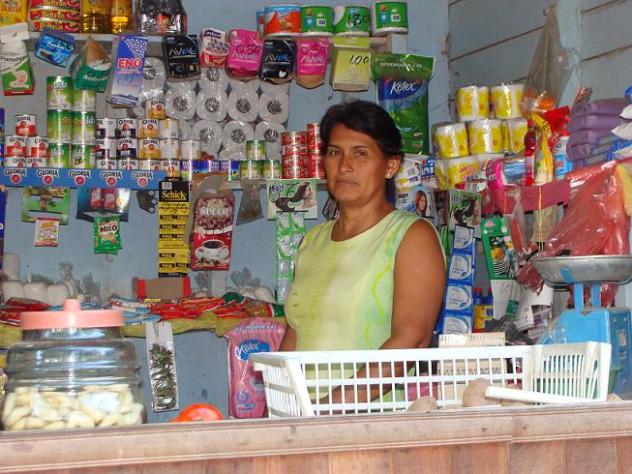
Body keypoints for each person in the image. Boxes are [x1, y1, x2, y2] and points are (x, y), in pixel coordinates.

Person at [280, 100, 446, 355]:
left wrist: (343, 386)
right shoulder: (311, 241)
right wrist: (280, 381)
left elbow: (411, 339)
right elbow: (294, 337)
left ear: (391, 165)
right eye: (335, 152)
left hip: (372, 384)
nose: (344, 166)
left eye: (360, 153)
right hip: (303, 384)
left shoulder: (411, 237)